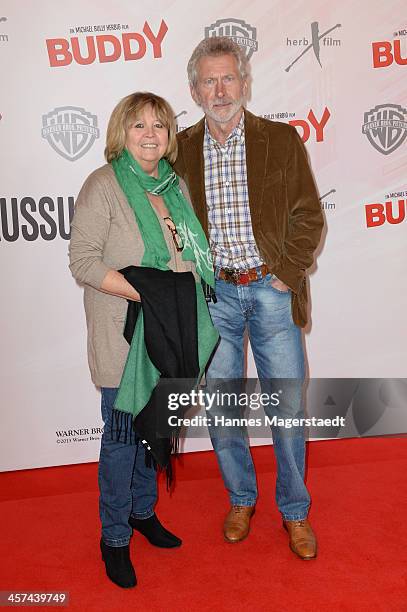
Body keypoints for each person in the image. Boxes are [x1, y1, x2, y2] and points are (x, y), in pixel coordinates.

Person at [174, 37, 324, 559]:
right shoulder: (181, 148)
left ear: (245, 82)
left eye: (228, 78)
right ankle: (241, 498)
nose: (220, 90)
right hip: (215, 296)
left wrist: (285, 272)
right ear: (194, 90)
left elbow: (309, 214)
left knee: (286, 406)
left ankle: (295, 513)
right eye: (209, 81)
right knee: (222, 407)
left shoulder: (279, 140)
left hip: (270, 290)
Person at [69, 92, 217, 588]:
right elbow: (84, 262)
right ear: (120, 132)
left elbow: (189, 257)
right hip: (123, 336)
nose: (150, 134)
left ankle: (142, 513)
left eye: (159, 124)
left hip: (171, 335)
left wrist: (175, 300)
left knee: (154, 429)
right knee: (121, 440)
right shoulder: (104, 185)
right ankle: (114, 538)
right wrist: (149, 293)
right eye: (138, 125)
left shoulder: (176, 188)